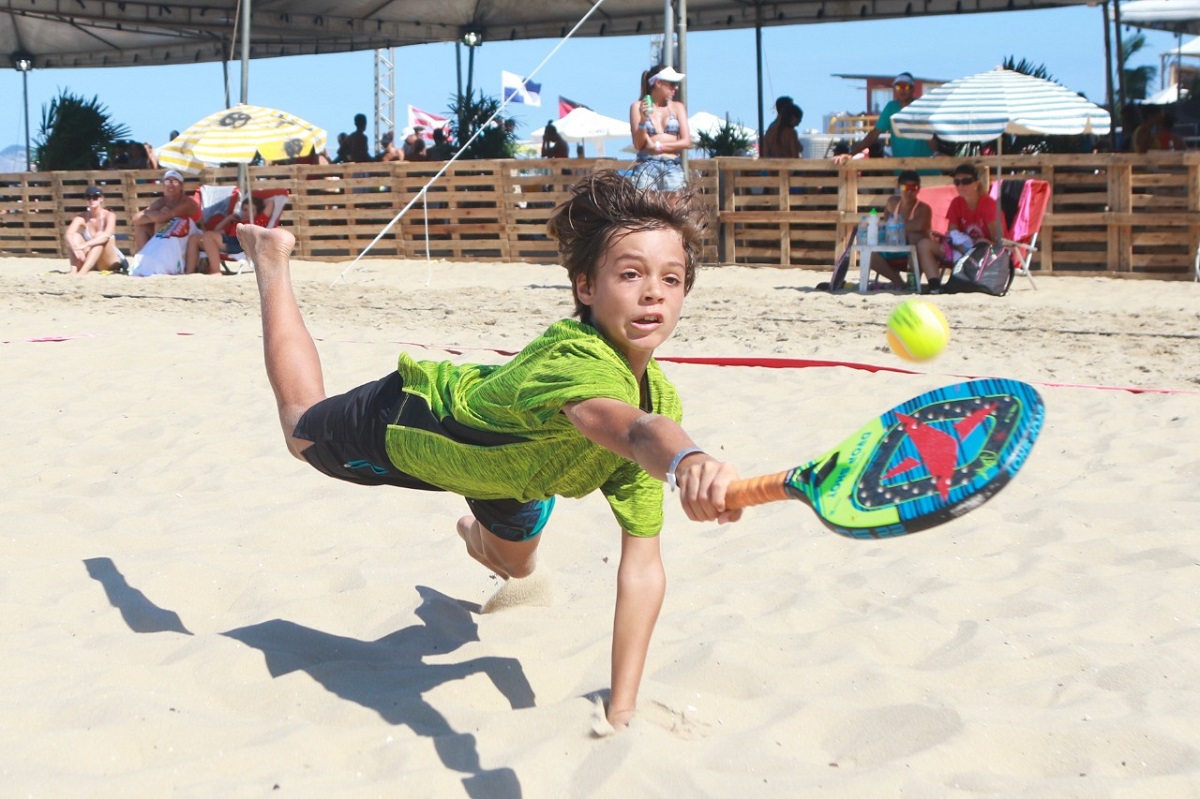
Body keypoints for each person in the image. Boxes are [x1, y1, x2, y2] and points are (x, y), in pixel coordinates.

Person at [237, 169, 742, 728]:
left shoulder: (663, 400)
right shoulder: (575, 359)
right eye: (630, 274)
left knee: (516, 568)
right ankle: (271, 261)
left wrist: (621, 708)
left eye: (671, 280)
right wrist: (688, 460)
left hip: (508, 477)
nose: (653, 292)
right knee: (297, 429)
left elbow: (642, 568)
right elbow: (633, 430)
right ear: (586, 288)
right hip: (414, 425)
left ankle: (480, 533)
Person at [833, 72, 934, 164]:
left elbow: (931, 136)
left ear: (913, 89)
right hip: (902, 168)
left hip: (926, 168)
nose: (902, 90)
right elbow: (873, 135)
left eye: (906, 86)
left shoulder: (922, 107)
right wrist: (851, 154)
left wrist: (939, 155)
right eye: (898, 87)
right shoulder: (891, 108)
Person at [868, 170, 941, 291]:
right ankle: (899, 282)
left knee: (916, 237)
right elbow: (887, 223)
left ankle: (913, 281)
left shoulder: (923, 209)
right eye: (905, 187)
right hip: (895, 245)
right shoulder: (892, 203)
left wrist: (894, 227)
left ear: (919, 189)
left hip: (914, 250)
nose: (909, 191)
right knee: (869, 253)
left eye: (914, 187)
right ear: (898, 187)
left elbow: (919, 227)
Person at [629, 65, 692, 191]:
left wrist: (658, 146)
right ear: (658, 83)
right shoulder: (638, 107)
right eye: (672, 84)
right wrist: (643, 119)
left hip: (672, 164)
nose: (676, 88)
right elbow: (638, 144)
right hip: (647, 163)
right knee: (644, 208)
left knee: (674, 208)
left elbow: (687, 141)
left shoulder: (678, 107)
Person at [937, 162, 1001, 289]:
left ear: (977, 183)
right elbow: (952, 234)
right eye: (957, 182)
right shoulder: (956, 203)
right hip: (962, 249)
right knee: (925, 245)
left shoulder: (988, 205)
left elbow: (998, 241)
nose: (961, 185)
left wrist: (975, 246)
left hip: (986, 251)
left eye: (966, 181)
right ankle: (934, 285)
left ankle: (961, 279)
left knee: (981, 243)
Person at [186, 194, 269, 275]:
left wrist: (259, 201)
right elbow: (216, 231)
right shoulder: (236, 223)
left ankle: (216, 271)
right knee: (194, 238)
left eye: (251, 210)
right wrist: (228, 219)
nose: (246, 213)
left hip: (240, 243)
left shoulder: (258, 220)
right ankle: (189, 272)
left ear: (257, 213)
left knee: (208, 236)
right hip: (229, 241)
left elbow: (270, 204)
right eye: (244, 209)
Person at [130, 169, 200, 254]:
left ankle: (157, 258)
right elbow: (135, 219)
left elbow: (161, 218)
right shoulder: (162, 201)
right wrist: (153, 213)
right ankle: (144, 259)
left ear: (181, 186)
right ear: (163, 185)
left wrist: (151, 213)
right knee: (141, 227)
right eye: (167, 181)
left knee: (161, 224)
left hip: (193, 237)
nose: (170, 185)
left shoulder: (187, 202)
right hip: (176, 237)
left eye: (175, 182)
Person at [64, 185, 127, 275]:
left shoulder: (109, 215)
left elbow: (106, 235)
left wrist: (84, 245)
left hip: (108, 261)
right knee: (74, 237)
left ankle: (82, 272)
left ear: (101, 198)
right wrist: (74, 248)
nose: (91, 200)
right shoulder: (82, 217)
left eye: (95, 197)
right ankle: (73, 270)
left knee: (99, 236)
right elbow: (68, 234)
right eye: (88, 197)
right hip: (92, 260)